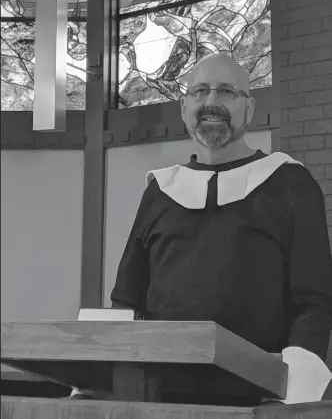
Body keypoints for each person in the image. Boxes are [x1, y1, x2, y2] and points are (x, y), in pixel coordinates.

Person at [73, 54, 332, 406]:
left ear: (249, 108)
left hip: (256, 399)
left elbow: (313, 303)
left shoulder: (290, 184)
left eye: (226, 92)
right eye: (200, 92)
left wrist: (295, 394)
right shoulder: (160, 191)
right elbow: (127, 300)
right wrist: (90, 384)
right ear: (184, 108)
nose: (211, 102)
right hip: (158, 396)